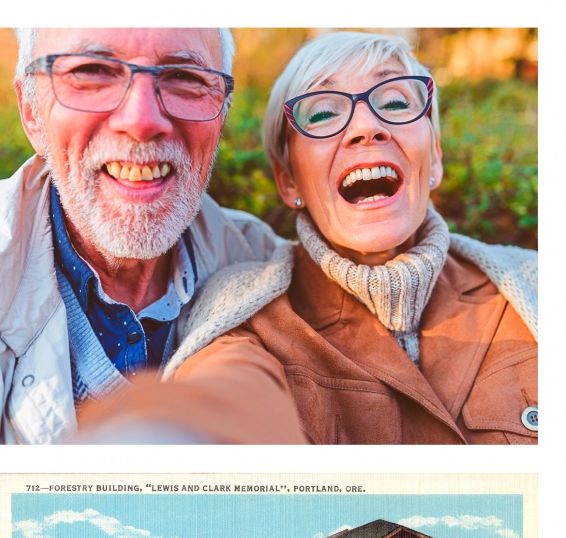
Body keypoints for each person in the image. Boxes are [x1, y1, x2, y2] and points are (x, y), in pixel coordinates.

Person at [158, 30, 537, 445]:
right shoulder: (244, 317)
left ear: (436, 158)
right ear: (288, 181)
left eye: (395, 103)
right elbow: (223, 403)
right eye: (322, 114)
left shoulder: (534, 286)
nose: (367, 127)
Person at [0, 27, 305, 444]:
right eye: (92, 72)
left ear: (222, 113)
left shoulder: (265, 266)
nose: (141, 121)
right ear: (31, 111)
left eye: (185, 78)